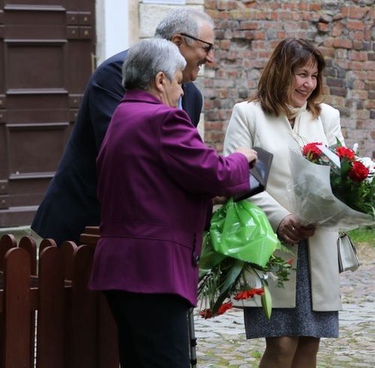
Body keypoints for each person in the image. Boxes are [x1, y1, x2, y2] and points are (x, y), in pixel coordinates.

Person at [88, 38, 258, 367]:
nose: (182, 93)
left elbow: (157, 183)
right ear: (160, 80)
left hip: (121, 267)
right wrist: (242, 158)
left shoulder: (123, 115)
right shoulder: (163, 119)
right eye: (179, 82)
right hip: (153, 270)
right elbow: (215, 173)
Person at [32, 8, 217, 245]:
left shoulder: (191, 96)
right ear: (178, 41)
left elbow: (185, 156)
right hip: (86, 225)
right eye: (207, 48)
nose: (210, 58)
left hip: (149, 232)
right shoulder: (118, 74)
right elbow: (128, 157)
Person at [223, 38, 344, 368]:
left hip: (317, 242)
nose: (308, 84)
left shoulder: (326, 117)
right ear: (280, 72)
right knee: (281, 344)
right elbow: (237, 179)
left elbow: (342, 176)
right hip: (271, 243)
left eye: (314, 76)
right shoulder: (248, 115)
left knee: (309, 342)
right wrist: (281, 218)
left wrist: (328, 208)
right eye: (300, 74)